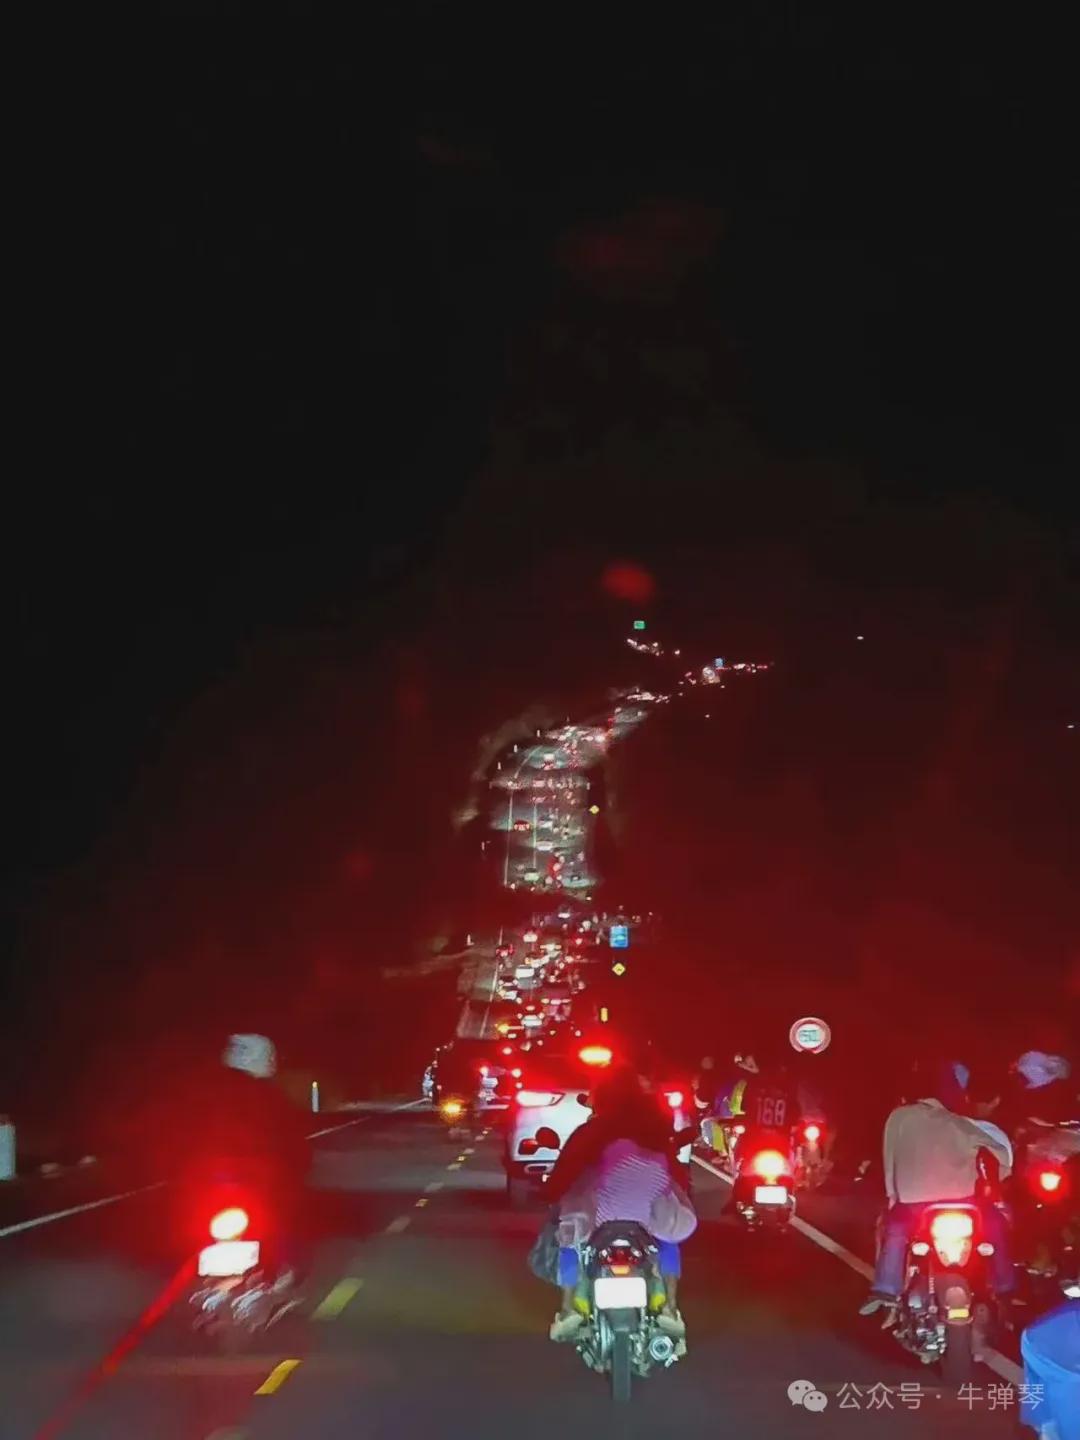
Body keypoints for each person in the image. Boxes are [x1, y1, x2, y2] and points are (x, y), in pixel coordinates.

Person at [543, 1064, 696, 1342]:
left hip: (600, 1215)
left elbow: (565, 1174)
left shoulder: (592, 1131)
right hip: (647, 1215)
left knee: (570, 1239)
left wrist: (553, 1196)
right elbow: (676, 1175)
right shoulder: (654, 1130)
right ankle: (671, 1308)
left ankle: (567, 1309)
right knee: (669, 1239)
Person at [860, 1059, 1014, 1318]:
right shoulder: (960, 1122)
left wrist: (893, 1196)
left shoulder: (898, 1118)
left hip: (913, 1204)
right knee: (995, 1225)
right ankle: (1006, 1288)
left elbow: (890, 1159)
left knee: (896, 1230)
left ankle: (886, 1290)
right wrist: (1001, 1175)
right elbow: (1000, 1152)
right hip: (965, 1204)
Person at [182, 1034, 310, 1286]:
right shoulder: (270, 1097)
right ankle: (284, 1267)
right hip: (257, 1177)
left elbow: (185, 1136)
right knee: (283, 1214)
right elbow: (293, 1140)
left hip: (214, 1177)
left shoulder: (207, 1095)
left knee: (198, 1211)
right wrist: (297, 1165)